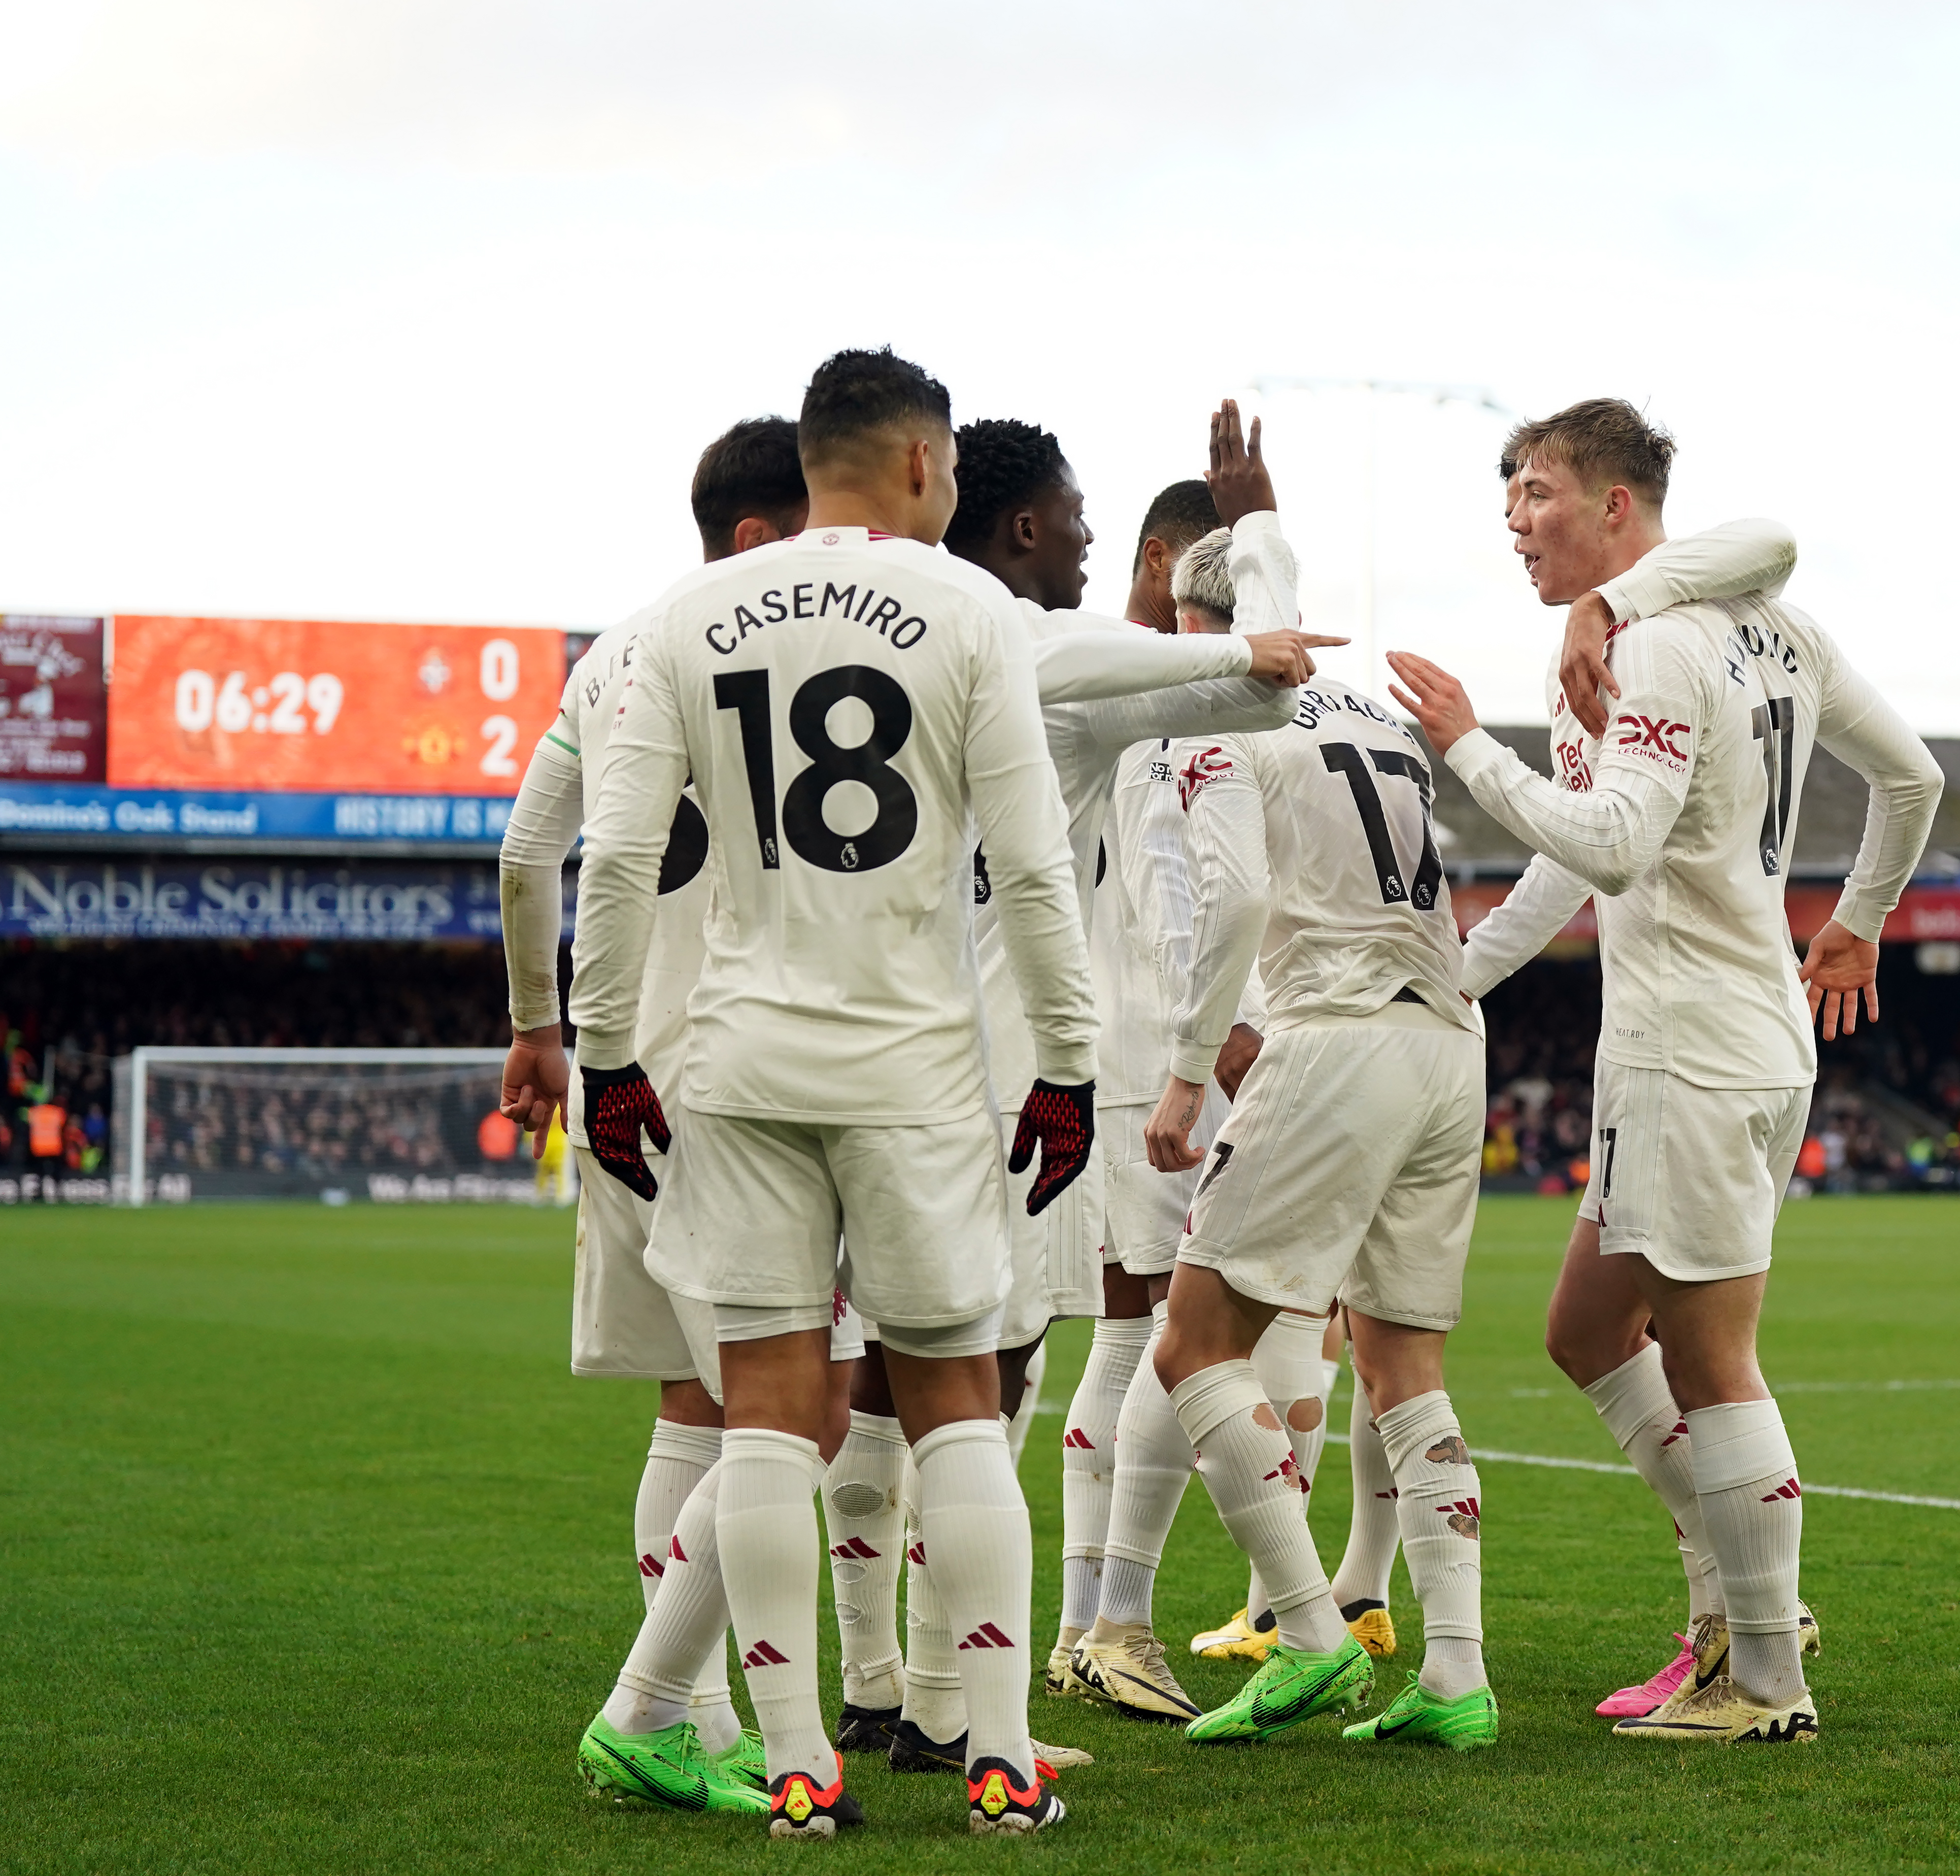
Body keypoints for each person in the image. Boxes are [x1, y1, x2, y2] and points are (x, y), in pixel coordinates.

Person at [565, 346, 1101, 1838]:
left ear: (807, 466)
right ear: (924, 463)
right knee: (956, 1402)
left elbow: (615, 859)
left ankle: (798, 1761)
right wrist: (1067, 1064)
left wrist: (604, 1051)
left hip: (739, 1063)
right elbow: (1034, 865)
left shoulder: (682, 617)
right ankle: (999, 1757)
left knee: (765, 1416)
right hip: (913, 1069)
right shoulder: (972, 608)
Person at [1385, 396, 1941, 1746]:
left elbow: (1615, 846)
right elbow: (1908, 779)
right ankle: (1733, 1615)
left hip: (1690, 1053)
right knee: (1586, 1332)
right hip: (1741, 1042)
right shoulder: (1769, 628)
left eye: (1538, 495)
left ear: (1616, 507)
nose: (1516, 524)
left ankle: (1767, 1676)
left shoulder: (1650, 646)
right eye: (1508, 502)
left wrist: (1467, 748)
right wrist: (1452, 979)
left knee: (1709, 1360)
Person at [831, 407, 1338, 1775]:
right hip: (996, 1072)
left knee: (866, 1375)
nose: (1092, 542)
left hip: (849, 1053)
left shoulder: (870, 637)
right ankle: (944, 1708)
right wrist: (1260, 534)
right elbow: (1266, 691)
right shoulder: (1038, 653)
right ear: (1025, 527)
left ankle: (873, 1686)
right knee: (981, 1381)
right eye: (1076, 520)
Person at [1140, 452, 1505, 1753]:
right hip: (1446, 1042)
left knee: (1191, 1344)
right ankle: (1454, 1676)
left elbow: (1236, 895)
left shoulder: (1216, 708)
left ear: (1195, 625)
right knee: (1403, 1367)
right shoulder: (1370, 711)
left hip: (1335, 1034)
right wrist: (1258, 517)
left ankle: (1304, 1630)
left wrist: (1188, 1067)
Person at [497, 414, 811, 1793]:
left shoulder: (609, 654)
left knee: (697, 1407)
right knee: (793, 1410)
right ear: (755, 536)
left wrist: (539, 1031)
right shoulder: (789, 641)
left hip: (618, 1073)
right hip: (748, 1079)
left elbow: (527, 857)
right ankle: (656, 1710)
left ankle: (698, 1726)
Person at [1068, 523, 1362, 1726]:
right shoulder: (1167, 718)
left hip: (1203, 1045)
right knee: (1162, 1326)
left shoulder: (1218, 713)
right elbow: (1172, 895)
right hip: (1174, 1054)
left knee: (1208, 1323)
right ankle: (1111, 1625)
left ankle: (1130, 1623)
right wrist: (1218, 1043)